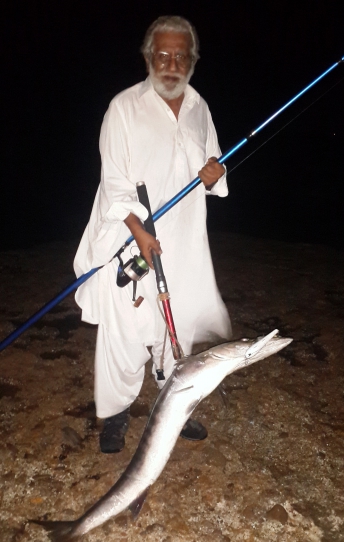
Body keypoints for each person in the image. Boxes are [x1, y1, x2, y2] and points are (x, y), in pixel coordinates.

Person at [74, 16, 231, 453]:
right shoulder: (123, 107)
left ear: (193, 60)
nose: (171, 63)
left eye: (181, 55)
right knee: (125, 327)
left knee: (171, 325)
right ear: (148, 57)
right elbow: (115, 183)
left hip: (183, 238)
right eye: (162, 54)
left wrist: (216, 172)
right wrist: (138, 231)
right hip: (130, 237)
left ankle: (172, 409)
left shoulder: (200, 107)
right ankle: (117, 415)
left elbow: (214, 170)